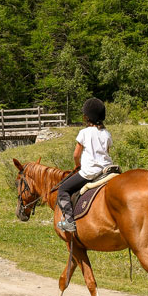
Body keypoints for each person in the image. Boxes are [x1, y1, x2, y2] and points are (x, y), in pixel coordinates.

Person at [56, 98, 119, 232]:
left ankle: (69, 221)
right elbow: (106, 152)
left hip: (89, 172)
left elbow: (76, 154)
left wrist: (77, 165)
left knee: (63, 189)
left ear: (87, 117)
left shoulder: (84, 133)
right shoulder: (106, 134)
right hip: (107, 171)